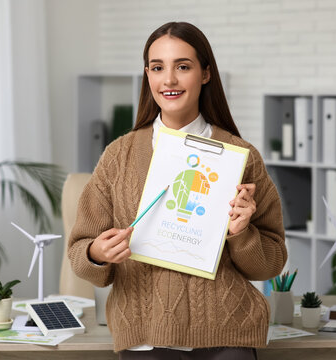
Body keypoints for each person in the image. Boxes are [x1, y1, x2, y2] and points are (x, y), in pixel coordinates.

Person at [69, 21, 287, 359]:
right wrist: (97, 253)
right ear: (148, 76)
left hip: (227, 333)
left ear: (205, 74)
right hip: (144, 335)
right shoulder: (118, 156)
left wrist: (241, 234)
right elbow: (78, 254)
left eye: (182, 67)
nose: (168, 79)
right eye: (158, 68)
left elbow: (270, 264)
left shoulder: (239, 157)